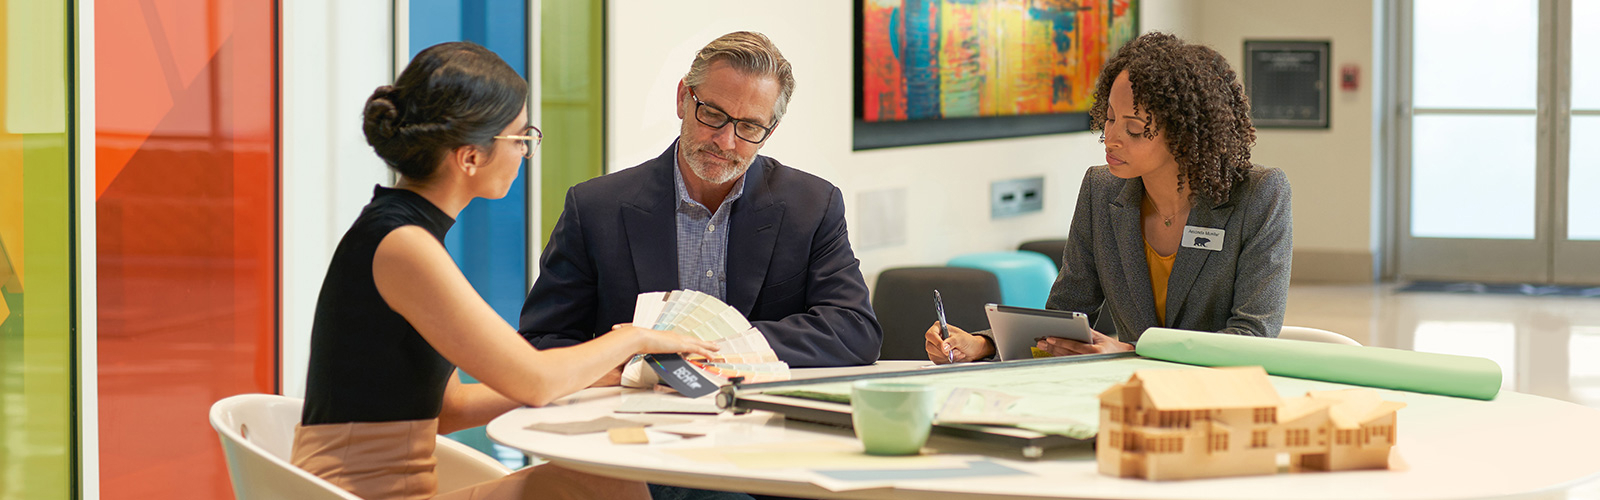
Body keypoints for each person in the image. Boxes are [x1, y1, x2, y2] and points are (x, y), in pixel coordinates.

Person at [294, 41, 717, 500]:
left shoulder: (403, 232)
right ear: (470, 157)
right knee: (607, 485)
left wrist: (596, 375)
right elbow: (535, 381)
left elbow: (450, 408)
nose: (524, 152)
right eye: (519, 139)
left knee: (608, 481)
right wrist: (634, 338)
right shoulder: (404, 245)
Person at [518, 31, 882, 375]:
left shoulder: (813, 206)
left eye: (749, 127)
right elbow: (543, 342)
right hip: (637, 411)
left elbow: (854, 330)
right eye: (713, 114)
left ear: (770, 131)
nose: (725, 141)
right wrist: (633, 368)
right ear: (682, 98)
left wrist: (713, 349)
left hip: (762, 412)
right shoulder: (595, 208)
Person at [927, 32, 1293, 363]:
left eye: (1134, 129)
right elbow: (1064, 319)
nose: (1111, 138)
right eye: (1110, 118)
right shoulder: (1101, 190)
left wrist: (1134, 350)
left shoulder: (1260, 194)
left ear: (1184, 135)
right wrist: (983, 344)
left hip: (1219, 393)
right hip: (1126, 391)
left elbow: (1253, 335)